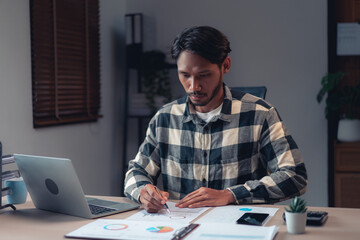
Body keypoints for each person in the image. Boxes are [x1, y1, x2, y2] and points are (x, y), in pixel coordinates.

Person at [124, 26, 307, 213]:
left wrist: (230, 195)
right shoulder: (164, 118)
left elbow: (294, 176)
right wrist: (143, 192)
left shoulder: (261, 114)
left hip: (239, 228)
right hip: (178, 228)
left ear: (225, 65)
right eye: (185, 75)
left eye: (203, 75)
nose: (193, 86)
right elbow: (136, 171)